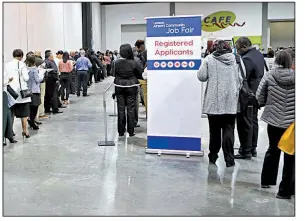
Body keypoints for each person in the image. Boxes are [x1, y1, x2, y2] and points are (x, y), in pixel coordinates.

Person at [197, 40, 243, 168]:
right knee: (229, 130)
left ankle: (213, 156)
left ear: (214, 48)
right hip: (230, 101)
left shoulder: (209, 59)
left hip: (213, 102)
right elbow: (241, 78)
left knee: (214, 131)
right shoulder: (236, 59)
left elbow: (201, 76)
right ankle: (229, 159)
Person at [256, 50, 295, 199]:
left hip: (273, 120)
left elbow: (259, 97)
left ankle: (267, 180)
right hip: (292, 123)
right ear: (291, 61)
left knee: (273, 149)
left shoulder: (269, 75)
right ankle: (287, 190)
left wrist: (268, 103)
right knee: (291, 155)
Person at [234, 37, 265, 160]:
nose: (237, 51)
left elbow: (242, 78)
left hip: (247, 95)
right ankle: (253, 148)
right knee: (253, 121)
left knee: (244, 123)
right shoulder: (258, 54)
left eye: (238, 49)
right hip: (256, 93)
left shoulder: (246, 59)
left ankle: (245, 151)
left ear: (245, 46)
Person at [113, 44, 143, 137]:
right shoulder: (134, 62)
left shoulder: (115, 62)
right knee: (131, 109)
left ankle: (121, 131)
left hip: (119, 86)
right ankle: (131, 131)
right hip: (131, 86)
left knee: (120, 109)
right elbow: (139, 74)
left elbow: (113, 74)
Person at [5, 49, 31, 139]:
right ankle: (25, 131)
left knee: (10, 113)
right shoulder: (22, 65)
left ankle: (10, 132)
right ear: (21, 56)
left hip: (11, 92)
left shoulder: (7, 65)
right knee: (24, 113)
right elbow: (26, 78)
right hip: (21, 93)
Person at [26, 54, 44, 130]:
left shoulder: (25, 68)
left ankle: (30, 119)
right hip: (35, 90)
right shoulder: (35, 69)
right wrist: (42, 74)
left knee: (30, 106)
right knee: (35, 106)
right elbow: (37, 80)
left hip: (28, 90)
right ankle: (32, 121)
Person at [3, 71, 17, 145]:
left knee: (8, 115)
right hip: (3, 93)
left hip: (5, 93)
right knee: (5, 116)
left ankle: (9, 135)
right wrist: (8, 80)